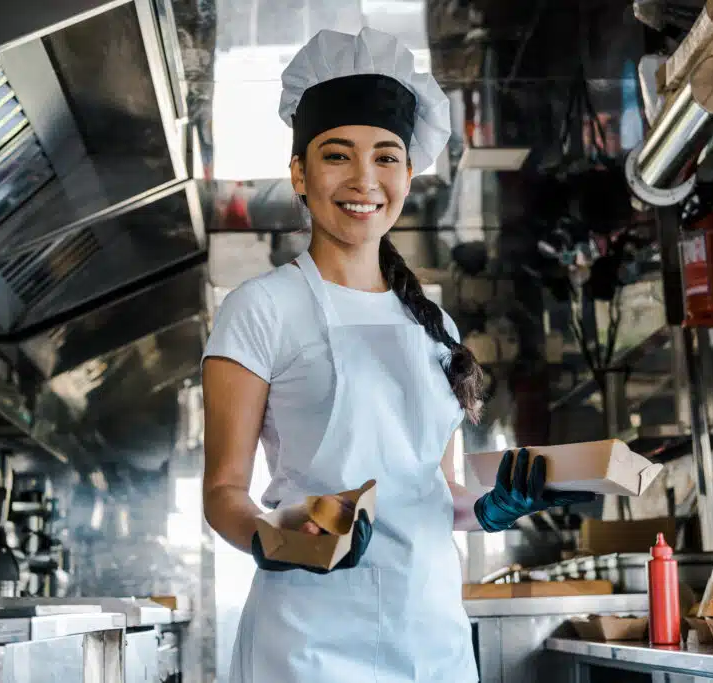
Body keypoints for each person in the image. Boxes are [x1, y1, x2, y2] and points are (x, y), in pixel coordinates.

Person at [201, 27, 596, 683]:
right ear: (299, 171)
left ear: (408, 175)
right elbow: (222, 491)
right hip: (305, 646)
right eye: (336, 155)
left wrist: (487, 506)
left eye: (386, 157)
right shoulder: (259, 310)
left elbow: (437, 496)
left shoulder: (431, 321)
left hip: (429, 638)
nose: (364, 179)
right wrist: (273, 541)